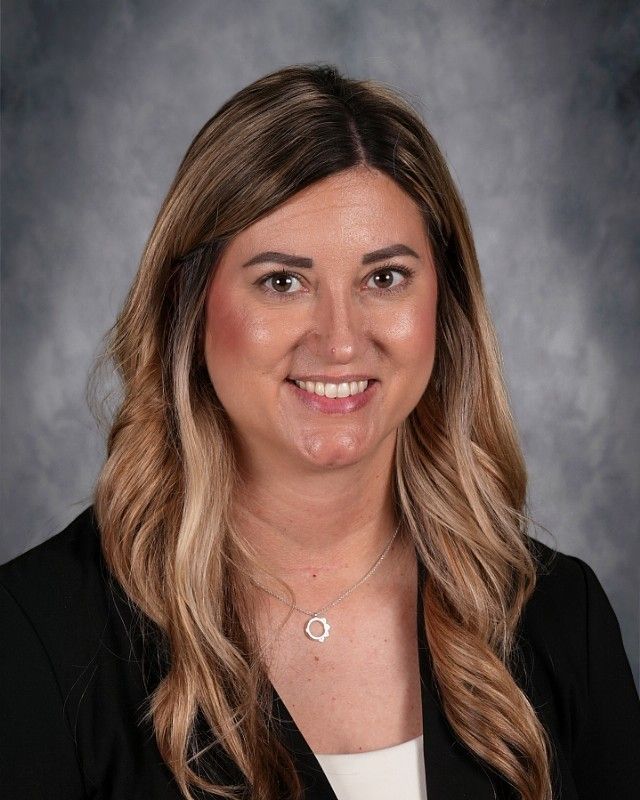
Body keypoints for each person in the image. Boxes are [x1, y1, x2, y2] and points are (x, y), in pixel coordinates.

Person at [1, 63, 638, 800]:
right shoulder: (37, 640)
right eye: (282, 282)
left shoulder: (559, 619)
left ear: (445, 304)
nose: (340, 341)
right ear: (189, 303)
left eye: (385, 278)